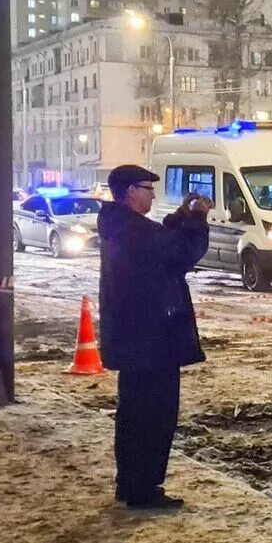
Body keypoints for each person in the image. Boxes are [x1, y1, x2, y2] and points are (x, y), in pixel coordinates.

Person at [98, 164, 210, 510]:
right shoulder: (133, 231)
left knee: (133, 412)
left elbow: (160, 242)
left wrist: (178, 218)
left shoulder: (120, 226)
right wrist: (196, 221)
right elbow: (180, 254)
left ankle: (131, 482)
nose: (152, 195)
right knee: (153, 415)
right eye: (147, 188)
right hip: (153, 338)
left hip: (135, 338)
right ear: (131, 191)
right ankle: (143, 487)